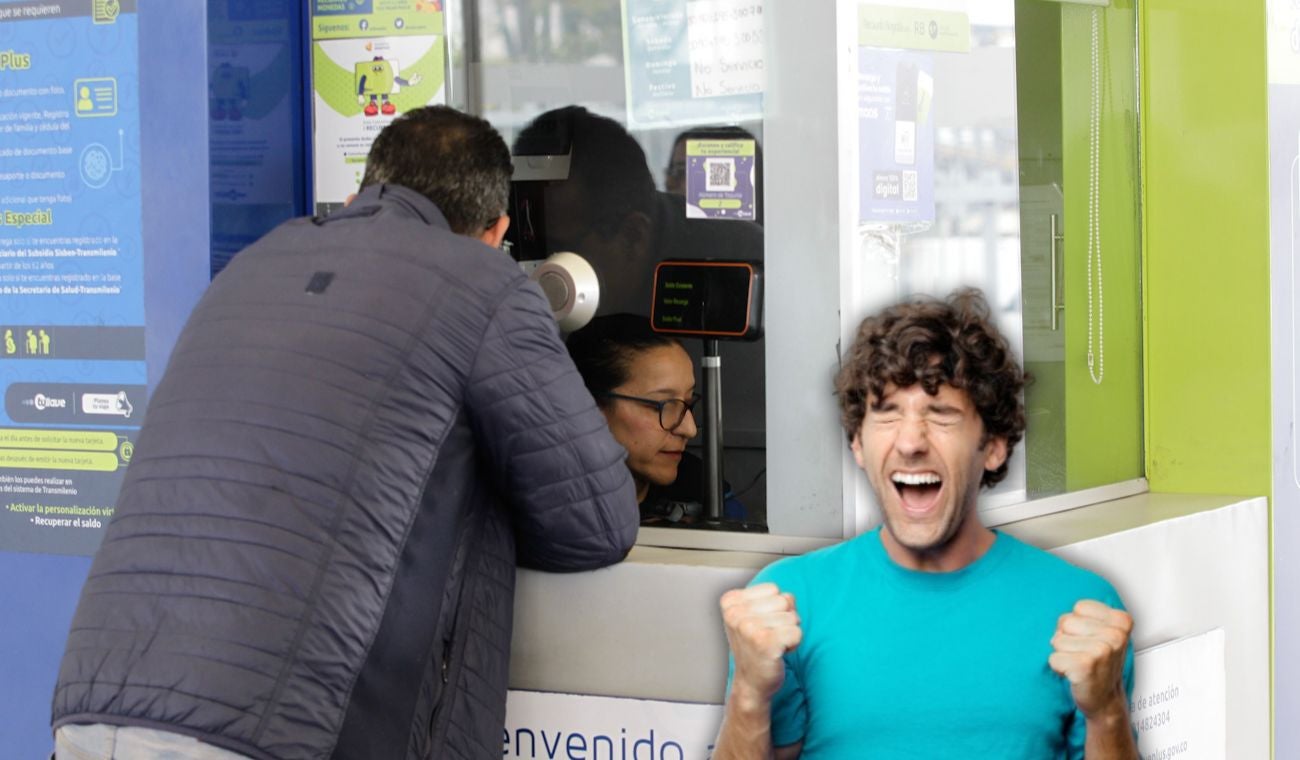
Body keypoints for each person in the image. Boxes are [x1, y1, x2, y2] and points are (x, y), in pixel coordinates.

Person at [50, 106, 640, 760]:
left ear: (364, 191)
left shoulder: (252, 265)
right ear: (495, 231)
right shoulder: (485, 283)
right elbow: (597, 522)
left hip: (92, 709)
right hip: (273, 728)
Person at [714, 289, 1137, 759]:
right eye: (887, 414)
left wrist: (1107, 712)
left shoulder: (1079, 609)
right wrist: (749, 694)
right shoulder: (790, 602)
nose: (910, 442)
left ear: (993, 445)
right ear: (858, 443)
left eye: (941, 415)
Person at [566, 314, 746, 524]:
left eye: (688, 403)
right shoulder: (546, 513)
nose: (689, 429)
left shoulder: (705, 492)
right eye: (661, 405)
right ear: (588, 407)